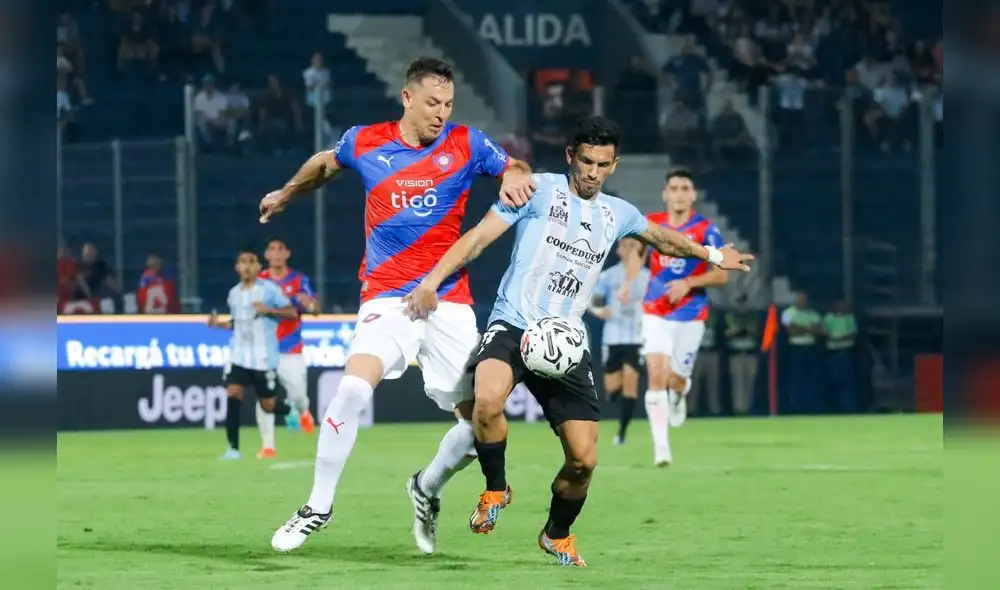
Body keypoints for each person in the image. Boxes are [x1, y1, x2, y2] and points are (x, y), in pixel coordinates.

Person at [403, 116, 753, 566]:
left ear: (614, 165)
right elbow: (478, 238)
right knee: (486, 402)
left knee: (584, 460)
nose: (593, 172)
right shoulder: (535, 190)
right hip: (514, 324)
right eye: (586, 161)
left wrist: (714, 254)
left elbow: (662, 239)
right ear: (571, 155)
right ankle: (495, 488)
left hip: (565, 342)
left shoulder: (617, 213)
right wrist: (431, 282)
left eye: (603, 164)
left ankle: (557, 534)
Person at [260, 56, 535, 555]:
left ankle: (425, 486)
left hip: (449, 298)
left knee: (481, 422)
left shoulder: (467, 143)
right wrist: (286, 192)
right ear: (407, 98)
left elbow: (513, 167)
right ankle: (318, 506)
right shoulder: (366, 141)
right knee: (350, 389)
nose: (441, 113)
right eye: (432, 103)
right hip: (387, 295)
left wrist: (516, 175)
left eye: (448, 104)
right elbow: (324, 165)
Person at [642, 167, 730, 467]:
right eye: (674, 188)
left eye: (684, 189)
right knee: (656, 374)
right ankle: (661, 449)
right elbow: (634, 252)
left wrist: (688, 283)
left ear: (693, 195)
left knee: (676, 379)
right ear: (665, 194)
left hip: (691, 313)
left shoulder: (706, 230)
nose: (679, 194)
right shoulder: (652, 223)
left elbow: (722, 274)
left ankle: (679, 393)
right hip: (655, 310)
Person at [206, 249, 298, 459]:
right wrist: (218, 324)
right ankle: (233, 449)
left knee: (268, 405)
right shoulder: (234, 294)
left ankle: (290, 410)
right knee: (233, 395)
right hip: (238, 356)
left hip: (263, 358)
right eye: (243, 262)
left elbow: (292, 313)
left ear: (258, 267)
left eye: (251, 262)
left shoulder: (269, 290)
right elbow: (238, 323)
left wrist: (269, 310)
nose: (246, 266)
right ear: (237, 267)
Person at [257, 237, 319, 457]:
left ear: (287, 254)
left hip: (291, 348)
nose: (276, 253)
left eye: (280, 249)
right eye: (272, 249)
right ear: (266, 255)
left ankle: (303, 411)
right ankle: (268, 446)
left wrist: (309, 303)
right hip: (265, 349)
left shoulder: (299, 280)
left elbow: (315, 309)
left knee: (298, 395)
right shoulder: (259, 281)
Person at [587, 236, 650, 445]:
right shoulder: (608, 276)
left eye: (632, 245)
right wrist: (599, 311)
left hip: (637, 337)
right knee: (612, 387)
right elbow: (593, 302)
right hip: (613, 336)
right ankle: (614, 394)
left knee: (631, 381)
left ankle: (622, 432)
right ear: (618, 250)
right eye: (624, 245)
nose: (627, 249)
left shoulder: (647, 277)